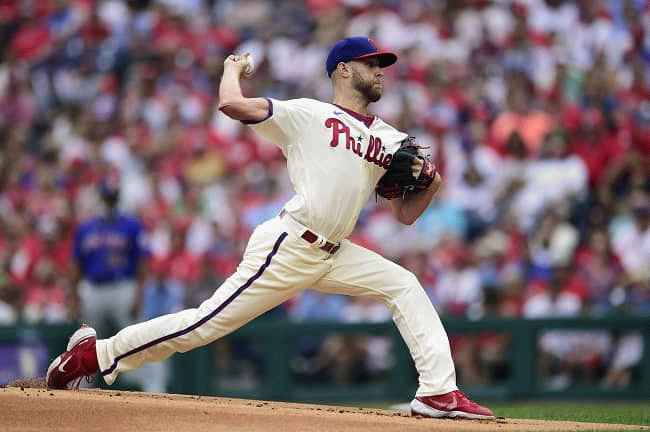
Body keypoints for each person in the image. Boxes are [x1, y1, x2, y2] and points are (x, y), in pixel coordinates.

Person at [46, 37, 494, 420]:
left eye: (382, 65)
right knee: (203, 325)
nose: (380, 71)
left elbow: (404, 215)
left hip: (335, 252)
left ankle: (437, 392)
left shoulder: (390, 138)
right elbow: (231, 104)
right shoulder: (307, 114)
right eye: (371, 63)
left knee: (405, 285)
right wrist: (231, 68)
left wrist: (432, 185)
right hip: (290, 245)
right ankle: (94, 355)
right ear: (343, 69)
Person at [68, 178, 148, 386]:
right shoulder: (86, 227)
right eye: (107, 197)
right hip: (93, 289)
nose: (110, 202)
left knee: (134, 339)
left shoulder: (131, 225)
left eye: (113, 198)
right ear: (101, 198)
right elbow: (76, 264)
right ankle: (83, 387)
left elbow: (142, 262)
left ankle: (143, 387)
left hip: (123, 287)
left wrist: (139, 295)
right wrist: (74, 295)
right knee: (88, 341)